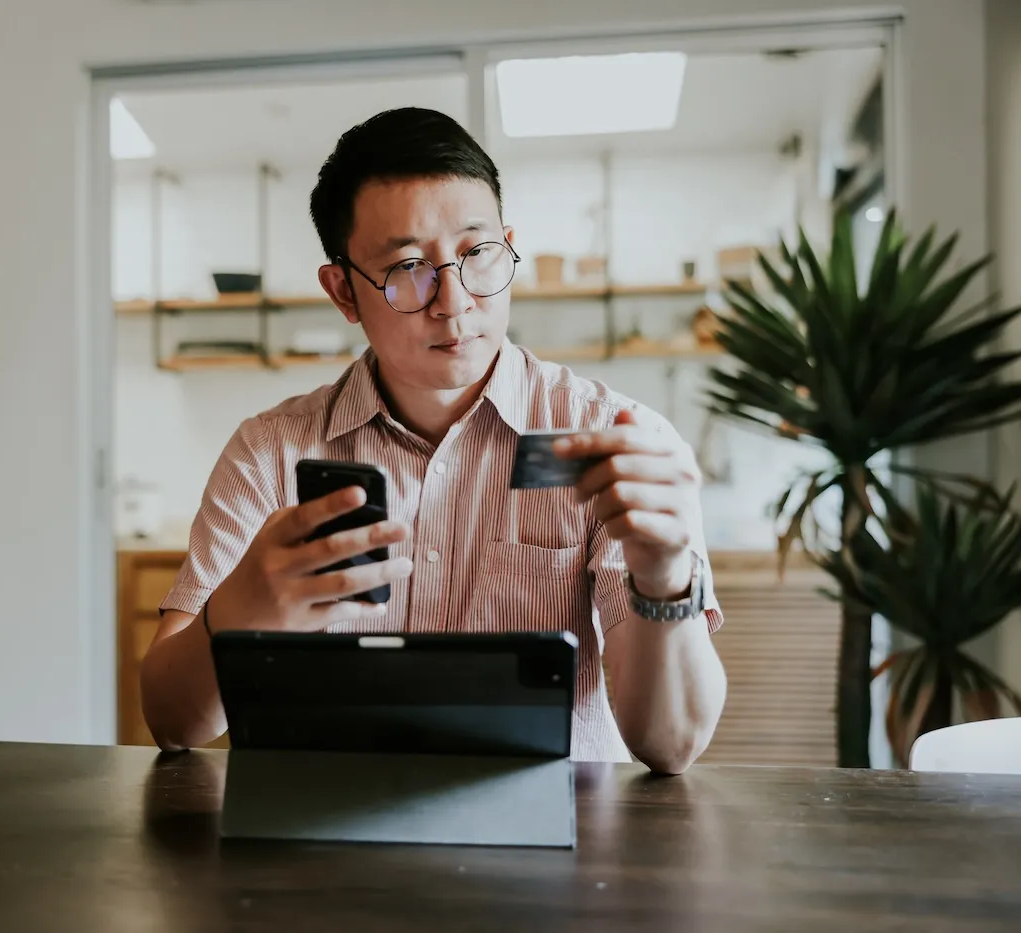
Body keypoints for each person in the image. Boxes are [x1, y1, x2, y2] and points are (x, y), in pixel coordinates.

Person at [139, 107, 727, 774]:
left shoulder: (610, 440)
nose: (453, 301)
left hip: (556, 854)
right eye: (408, 268)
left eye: (477, 255)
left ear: (508, 244)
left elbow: (669, 745)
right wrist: (237, 613)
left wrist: (664, 575)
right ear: (343, 292)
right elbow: (171, 720)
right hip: (321, 845)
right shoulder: (269, 454)